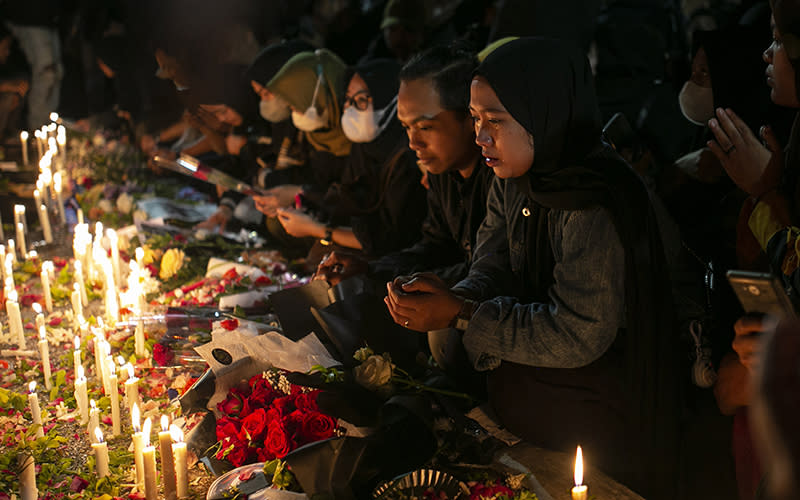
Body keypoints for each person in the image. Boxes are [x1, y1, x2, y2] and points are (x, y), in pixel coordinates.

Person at [384, 38, 680, 498]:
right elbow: (492, 258)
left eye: (495, 121)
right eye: (477, 119)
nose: (480, 136)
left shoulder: (593, 202)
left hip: (604, 398)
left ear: (544, 114)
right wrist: (451, 297)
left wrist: (462, 312)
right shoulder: (516, 177)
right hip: (542, 389)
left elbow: (579, 332)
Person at [314, 44, 491, 286]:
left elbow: (486, 275)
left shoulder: (501, 179)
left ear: (472, 118)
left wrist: (402, 282)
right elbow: (435, 246)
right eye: (406, 127)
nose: (413, 142)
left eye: (425, 127)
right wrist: (369, 270)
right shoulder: (443, 173)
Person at [274, 59, 427, 257]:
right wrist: (308, 213)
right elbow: (349, 203)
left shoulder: (409, 157)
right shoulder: (363, 146)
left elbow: (392, 239)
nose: (350, 108)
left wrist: (319, 230)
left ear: (390, 101)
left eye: (362, 100)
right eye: (347, 99)